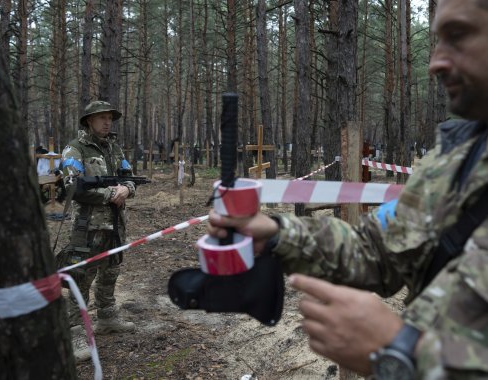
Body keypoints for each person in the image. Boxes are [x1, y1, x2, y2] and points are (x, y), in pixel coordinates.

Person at [207, 0, 488, 378]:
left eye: (458, 35)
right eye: (437, 41)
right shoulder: (456, 155)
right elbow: (378, 253)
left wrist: (403, 353)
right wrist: (276, 235)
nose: (435, 62)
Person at [61, 100, 136, 362]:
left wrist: (126, 189)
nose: (107, 122)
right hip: (87, 225)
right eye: (101, 118)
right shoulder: (75, 149)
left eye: (110, 118)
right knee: (81, 277)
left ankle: (107, 316)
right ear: (88, 121)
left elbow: (129, 176)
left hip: (116, 223)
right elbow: (73, 186)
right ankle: (74, 331)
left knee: (111, 270)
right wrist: (109, 194)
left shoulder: (114, 149)